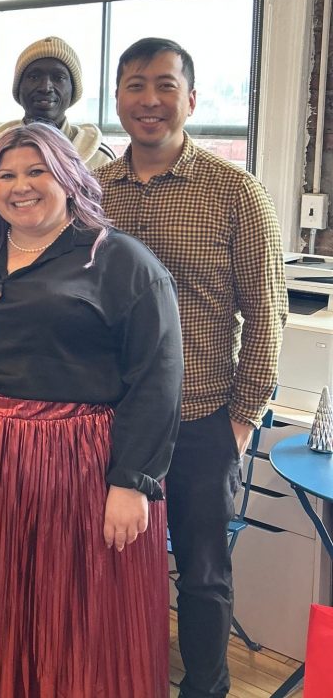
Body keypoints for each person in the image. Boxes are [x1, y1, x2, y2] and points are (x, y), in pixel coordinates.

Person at [0, 122, 183, 698]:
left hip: (70, 469)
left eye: (37, 171)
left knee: (66, 616)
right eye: (6, 175)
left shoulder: (120, 262)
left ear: (70, 177)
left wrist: (133, 481)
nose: (21, 186)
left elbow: (157, 376)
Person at [95, 38, 287, 698]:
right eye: (136, 85)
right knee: (108, 563)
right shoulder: (92, 192)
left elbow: (267, 309)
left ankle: (205, 687)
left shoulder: (235, 193)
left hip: (200, 419)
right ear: (117, 96)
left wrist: (242, 417)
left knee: (202, 574)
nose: (150, 100)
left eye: (166, 85)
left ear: (192, 99)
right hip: (108, 419)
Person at [0, 36, 116, 169]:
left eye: (59, 78)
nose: (45, 87)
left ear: (73, 89)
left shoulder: (100, 159)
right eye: (34, 77)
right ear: (19, 87)